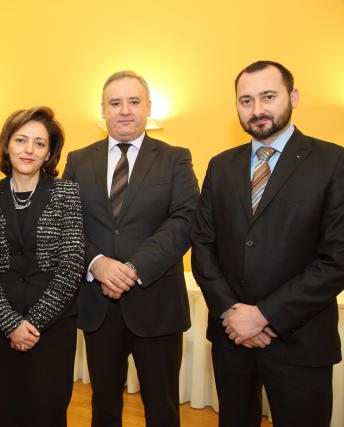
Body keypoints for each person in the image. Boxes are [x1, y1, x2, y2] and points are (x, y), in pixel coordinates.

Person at [191, 60, 344, 427]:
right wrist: (231, 312)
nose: (257, 110)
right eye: (246, 100)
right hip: (233, 341)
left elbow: (337, 257)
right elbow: (202, 245)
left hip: (300, 340)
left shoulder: (333, 161)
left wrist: (263, 316)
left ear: (293, 97)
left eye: (268, 96)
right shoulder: (221, 166)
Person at [63, 70, 199, 427]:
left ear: (148, 107)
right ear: (103, 110)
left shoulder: (175, 158)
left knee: (163, 406)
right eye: (115, 103)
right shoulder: (78, 161)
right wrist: (97, 263)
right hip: (98, 307)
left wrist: (133, 269)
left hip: (157, 303)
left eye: (134, 101)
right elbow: (66, 224)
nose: (125, 110)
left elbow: (185, 220)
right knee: (104, 405)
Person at [0, 106, 84, 427]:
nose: (29, 150)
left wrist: (32, 324)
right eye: (21, 140)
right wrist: (11, 324)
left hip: (52, 326)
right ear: (7, 144)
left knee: (49, 412)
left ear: (49, 152)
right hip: (1, 323)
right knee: (9, 410)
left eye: (39, 143)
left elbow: (72, 263)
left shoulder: (66, 193)